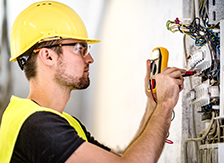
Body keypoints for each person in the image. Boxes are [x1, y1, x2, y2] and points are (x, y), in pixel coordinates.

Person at [0, 1, 186, 163]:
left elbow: (125, 159)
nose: (89, 58)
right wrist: (166, 103)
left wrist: (153, 103)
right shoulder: (35, 125)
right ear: (48, 56)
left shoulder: (64, 123)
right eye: (80, 48)